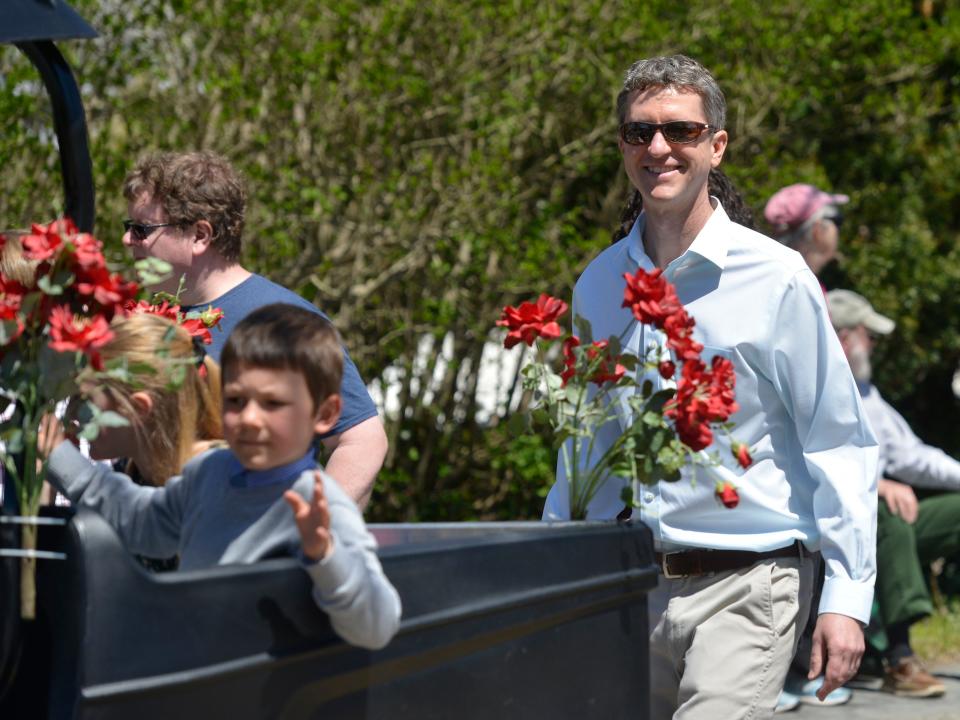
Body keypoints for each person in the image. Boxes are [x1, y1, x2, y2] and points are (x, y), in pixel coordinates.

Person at [542, 54, 878, 719]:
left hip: (749, 586)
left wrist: (846, 598)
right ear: (622, 146)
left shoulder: (776, 278)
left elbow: (837, 441)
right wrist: (556, 571)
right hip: (628, 591)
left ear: (716, 145)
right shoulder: (599, 284)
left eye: (681, 131)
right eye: (640, 132)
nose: (658, 147)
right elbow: (585, 450)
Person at [40, 303, 402, 650]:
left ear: (324, 414)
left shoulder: (317, 507)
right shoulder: (209, 473)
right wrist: (62, 460)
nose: (248, 418)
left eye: (272, 404)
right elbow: (140, 521)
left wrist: (325, 556)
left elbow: (377, 626)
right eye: (235, 400)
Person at [121, 151, 386, 507]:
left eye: (141, 230)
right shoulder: (146, 316)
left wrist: (303, 528)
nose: (127, 241)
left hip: (243, 555)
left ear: (200, 235)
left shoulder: (285, 321)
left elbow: (361, 439)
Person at [828, 288, 956, 698]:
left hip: (884, 520)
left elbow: (912, 456)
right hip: (840, 518)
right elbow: (814, 460)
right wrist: (878, 484)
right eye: (871, 336)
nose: (875, 346)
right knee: (889, 513)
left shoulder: (869, 395)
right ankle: (898, 657)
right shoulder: (817, 383)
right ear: (845, 338)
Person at [764, 182, 848, 277]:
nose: (838, 229)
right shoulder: (805, 287)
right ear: (818, 230)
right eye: (837, 220)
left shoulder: (768, 274)